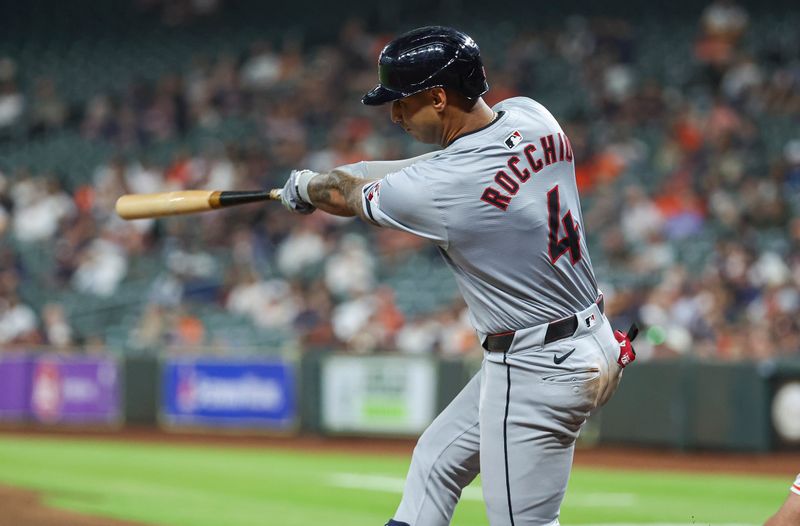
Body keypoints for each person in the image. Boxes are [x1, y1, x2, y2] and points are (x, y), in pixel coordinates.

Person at [280, 26, 636, 526]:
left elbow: (352, 194)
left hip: (537, 364)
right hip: (591, 337)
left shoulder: (442, 186)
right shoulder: (534, 115)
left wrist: (309, 189)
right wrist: (320, 180)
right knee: (436, 464)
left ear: (439, 96)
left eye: (403, 101)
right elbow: (426, 170)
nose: (394, 113)